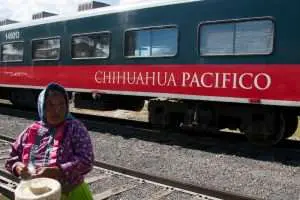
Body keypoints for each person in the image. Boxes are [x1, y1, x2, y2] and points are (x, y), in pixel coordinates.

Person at [5, 83, 94, 200]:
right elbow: (12, 158)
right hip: (36, 195)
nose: (56, 110)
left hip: (71, 193)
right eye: (50, 105)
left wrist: (57, 171)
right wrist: (18, 168)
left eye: (61, 104)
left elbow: (87, 161)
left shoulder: (75, 128)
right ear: (41, 106)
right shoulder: (32, 131)